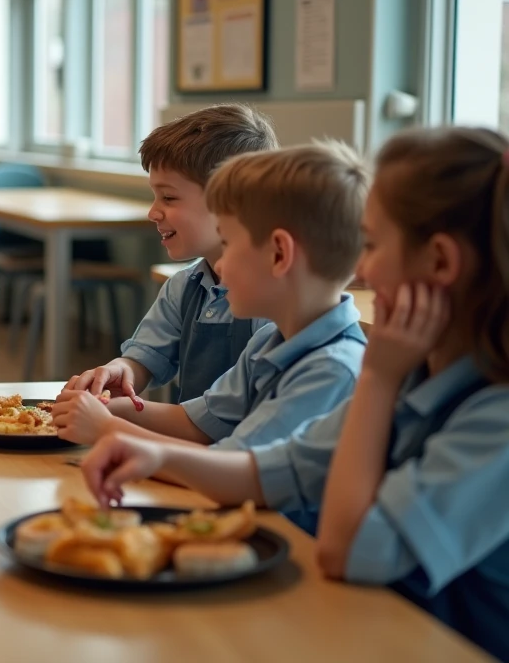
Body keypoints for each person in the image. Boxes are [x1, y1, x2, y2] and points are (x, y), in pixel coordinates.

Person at [79, 127, 509, 662]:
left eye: (372, 245)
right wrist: (150, 451)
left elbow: (345, 550)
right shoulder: (415, 374)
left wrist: (376, 380)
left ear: (441, 263)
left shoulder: (489, 416)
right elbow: (272, 469)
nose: (364, 269)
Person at [54, 143, 368, 455]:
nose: (219, 263)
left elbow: (236, 468)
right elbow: (202, 423)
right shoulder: (268, 340)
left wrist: (110, 429)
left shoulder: (331, 368)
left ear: (279, 254)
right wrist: (110, 410)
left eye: (228, 243)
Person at [66, 106, 278, 407]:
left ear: (233, 202)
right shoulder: (183, 286)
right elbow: (144, 359)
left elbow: (228, 418)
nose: (153, 212)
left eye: (169, 197)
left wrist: (119, 418)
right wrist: (119, 371)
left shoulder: (272, 300)